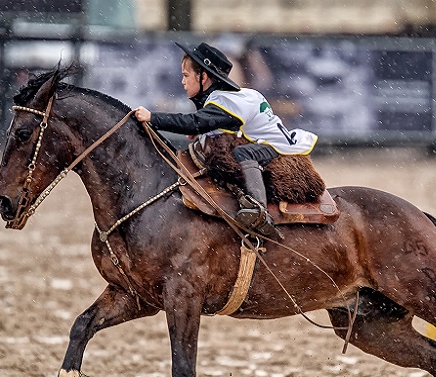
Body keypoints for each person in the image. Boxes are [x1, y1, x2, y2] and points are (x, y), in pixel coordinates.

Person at [134, 42, 318, 237]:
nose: (182, 82)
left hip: (277, 148)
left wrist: (153, 118)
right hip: (275, 141)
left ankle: (259, 210)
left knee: (242, 153)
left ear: (203, 77)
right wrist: (203, 131)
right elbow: (221, 126)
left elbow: (194, 122)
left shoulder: (228, 101)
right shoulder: (238, 96)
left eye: (186, 75)